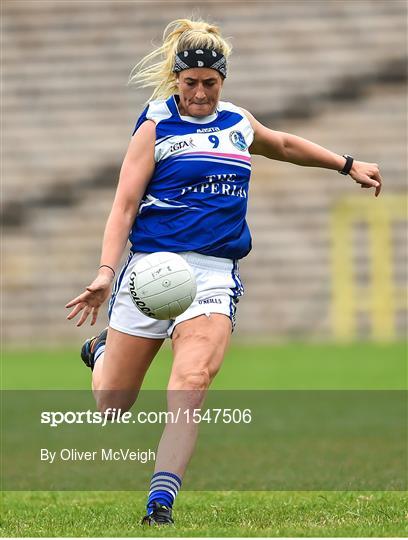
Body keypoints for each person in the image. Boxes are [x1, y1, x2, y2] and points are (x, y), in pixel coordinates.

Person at [65, 18, 382, 526]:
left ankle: (159, 504)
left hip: (213, 274)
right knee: (111, 403)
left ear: (222, 80)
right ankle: (102, 349)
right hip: (151, 270)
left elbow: (281, 144)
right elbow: (124, 206)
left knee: (191, 382)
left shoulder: (237, 121)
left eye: (209, 83)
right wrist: (106, 272)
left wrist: (346, 165)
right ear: (176, 79)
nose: (199, 93)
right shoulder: (154, 125)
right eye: (190, 83)